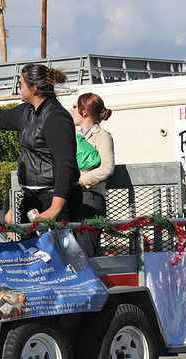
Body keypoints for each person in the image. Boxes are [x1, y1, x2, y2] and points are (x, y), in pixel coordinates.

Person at [0, 64, 81, 224]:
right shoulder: (28, 111)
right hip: (32, 196)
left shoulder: (56, 117)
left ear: (34, 88)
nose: (18, 88)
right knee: (28, 247)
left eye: (21, 84)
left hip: (55, 198)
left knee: (56, 248)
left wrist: (54, 209)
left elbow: (65, 165)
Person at [71, 93, 115, 257]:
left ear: (84, 111)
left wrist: (81, 181)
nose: (72, 110)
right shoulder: (73, 135)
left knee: (86, 252)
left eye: (75, 106)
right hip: (73, 198)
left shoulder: (102, 136)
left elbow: (107, 167)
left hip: (91, 196)